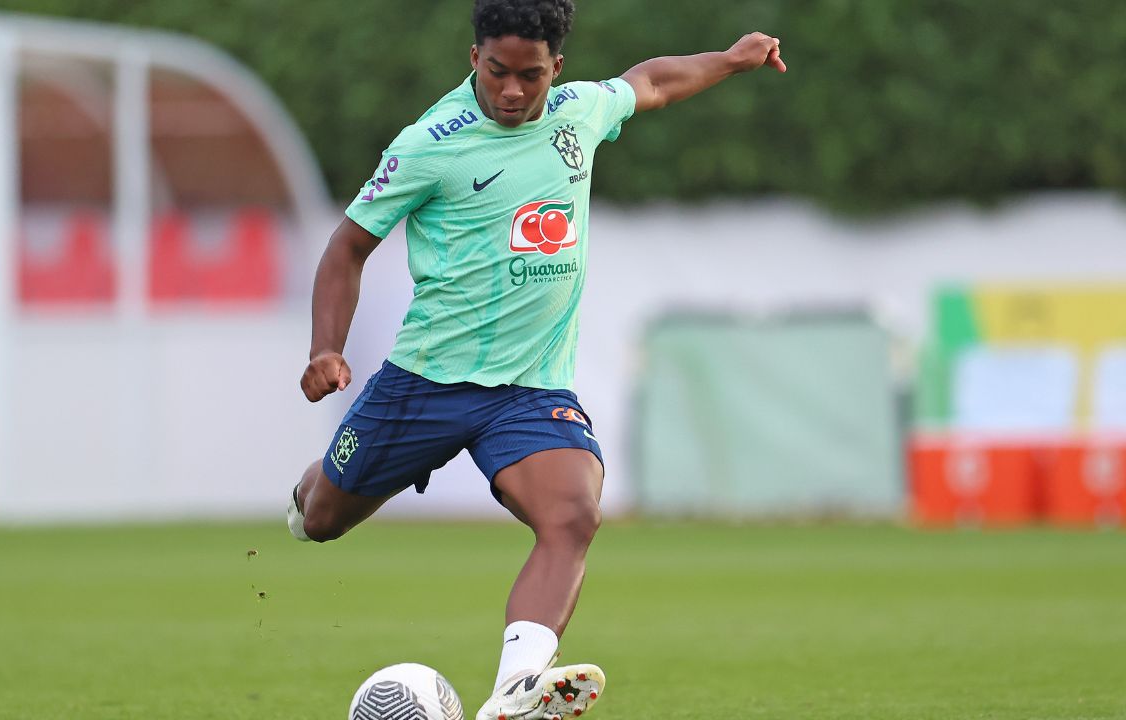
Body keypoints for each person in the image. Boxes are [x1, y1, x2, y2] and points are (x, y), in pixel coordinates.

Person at [287, 1, 785, 718]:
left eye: (531, 76)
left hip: (527, 387)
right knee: (324, 517)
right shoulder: (430, 142)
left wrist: (732, 61)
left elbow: (654, 82)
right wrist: (326, 348)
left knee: (573, 516)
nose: (513, 91)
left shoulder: (579, 112)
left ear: (559, 69)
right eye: (497, 72)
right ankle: (317, 482)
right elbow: (348, 247)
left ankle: (515, 688)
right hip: (425, 381)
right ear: (473, 59)